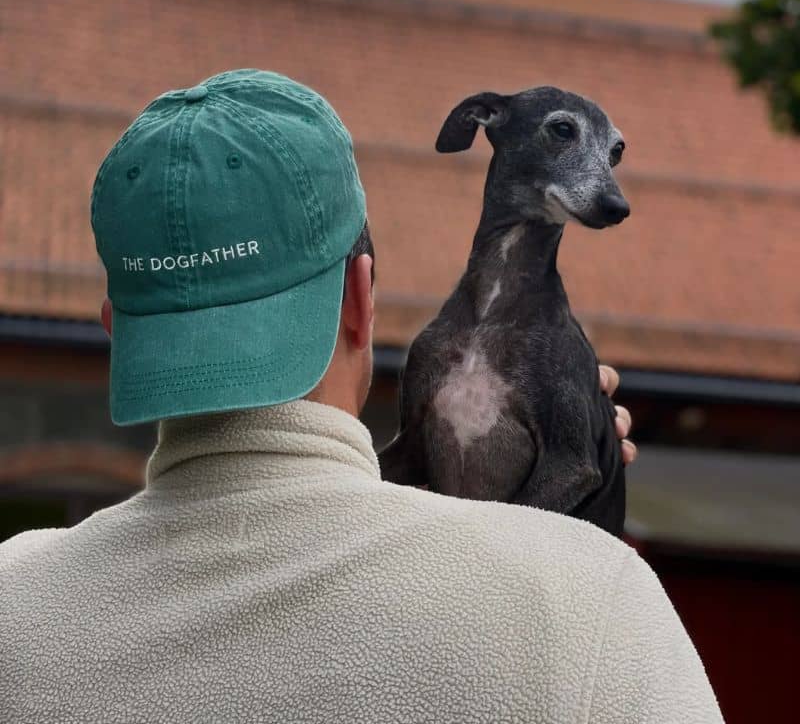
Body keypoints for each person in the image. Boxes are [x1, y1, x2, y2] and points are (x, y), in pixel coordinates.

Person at [0, 70, 723, 723]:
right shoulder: (593, 600)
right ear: (360, 296)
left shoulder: (13, 604)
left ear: (117, 331)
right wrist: (548, 549)